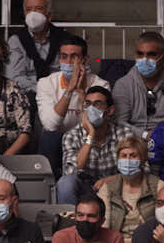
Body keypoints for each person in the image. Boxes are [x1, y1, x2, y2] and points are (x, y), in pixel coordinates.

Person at [37, 36, 111, 174]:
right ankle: (48, 187)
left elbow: (96, 122)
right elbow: (50, 125)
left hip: (86, 138)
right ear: (59, 59)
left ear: (85, 60)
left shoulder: (101, 84)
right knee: (49, 136)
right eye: (64, 57)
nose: (68, 62)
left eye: (74, 57)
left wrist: (82, 93)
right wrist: (70, 89)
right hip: (56, 141)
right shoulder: (46, 83)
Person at [58, 86, 137, 206]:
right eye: (88, 104)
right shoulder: (72, 135)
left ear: (110, 111)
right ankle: (69, 221)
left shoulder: (124, 134)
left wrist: (113, 179)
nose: (91, 109)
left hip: (116, 187)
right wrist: (90, 135)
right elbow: (71, 171)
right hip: (85, 189)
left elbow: (141, 169)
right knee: (65, 183)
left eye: (97, 104)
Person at [113, 31, 164, 135]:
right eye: (140, 54)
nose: (144, 59)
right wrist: (145, 135)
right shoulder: (123, 85)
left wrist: (160, 137)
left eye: (151, 54)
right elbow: (119, 123)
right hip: (132, 141)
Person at [97, 135, 160, 239]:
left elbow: (163, 224)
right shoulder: (108, 188)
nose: (127, 160)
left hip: (148, 241)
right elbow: (104, 228)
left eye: (133, 155)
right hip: (116, 242)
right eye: (123, 156)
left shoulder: (157, 186)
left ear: (143, 160)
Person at [7, 0, 64, 93]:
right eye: (28, 9)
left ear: (49, 15)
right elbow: (14, 77)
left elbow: (68, 73)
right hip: (27, 96)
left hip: (59, 94)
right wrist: (42, 91)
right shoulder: (16, 41)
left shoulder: (63, 39)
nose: (33, 14)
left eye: (39, 9)